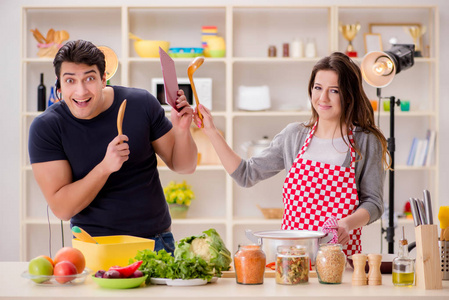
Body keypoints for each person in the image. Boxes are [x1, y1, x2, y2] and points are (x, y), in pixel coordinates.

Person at [194, 52, 389, 256]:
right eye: (318, 88)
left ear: (349, 96)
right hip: (292, 258)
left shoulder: (365, 141)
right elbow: (246, 174)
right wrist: (211, 131)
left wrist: (347, 224)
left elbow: (374, 203)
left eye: (334, 91)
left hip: (338, 259)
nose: (323, 98)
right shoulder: (294, 136)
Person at [28, 40, 198, 253]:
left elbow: (184, 166)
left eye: (89, 78)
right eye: (70, 80)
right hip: (94, 247)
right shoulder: (47, 127)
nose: (80, 91)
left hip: (155, 243)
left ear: (103, 79)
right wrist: (105, 167)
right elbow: (62, 209)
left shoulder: (142, 103)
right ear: (59, 86)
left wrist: (182, 131)